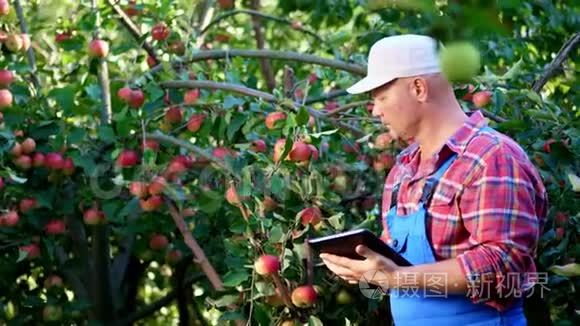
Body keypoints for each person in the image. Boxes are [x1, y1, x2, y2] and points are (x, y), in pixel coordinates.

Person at [319, 34, 548, 325]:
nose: (375, 110)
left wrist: (399, 278)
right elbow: (399, 265)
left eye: (381, 96)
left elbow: (504, 267)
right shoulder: (402, 171)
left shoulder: (491, 158)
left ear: (418, 88)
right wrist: (366, 267)